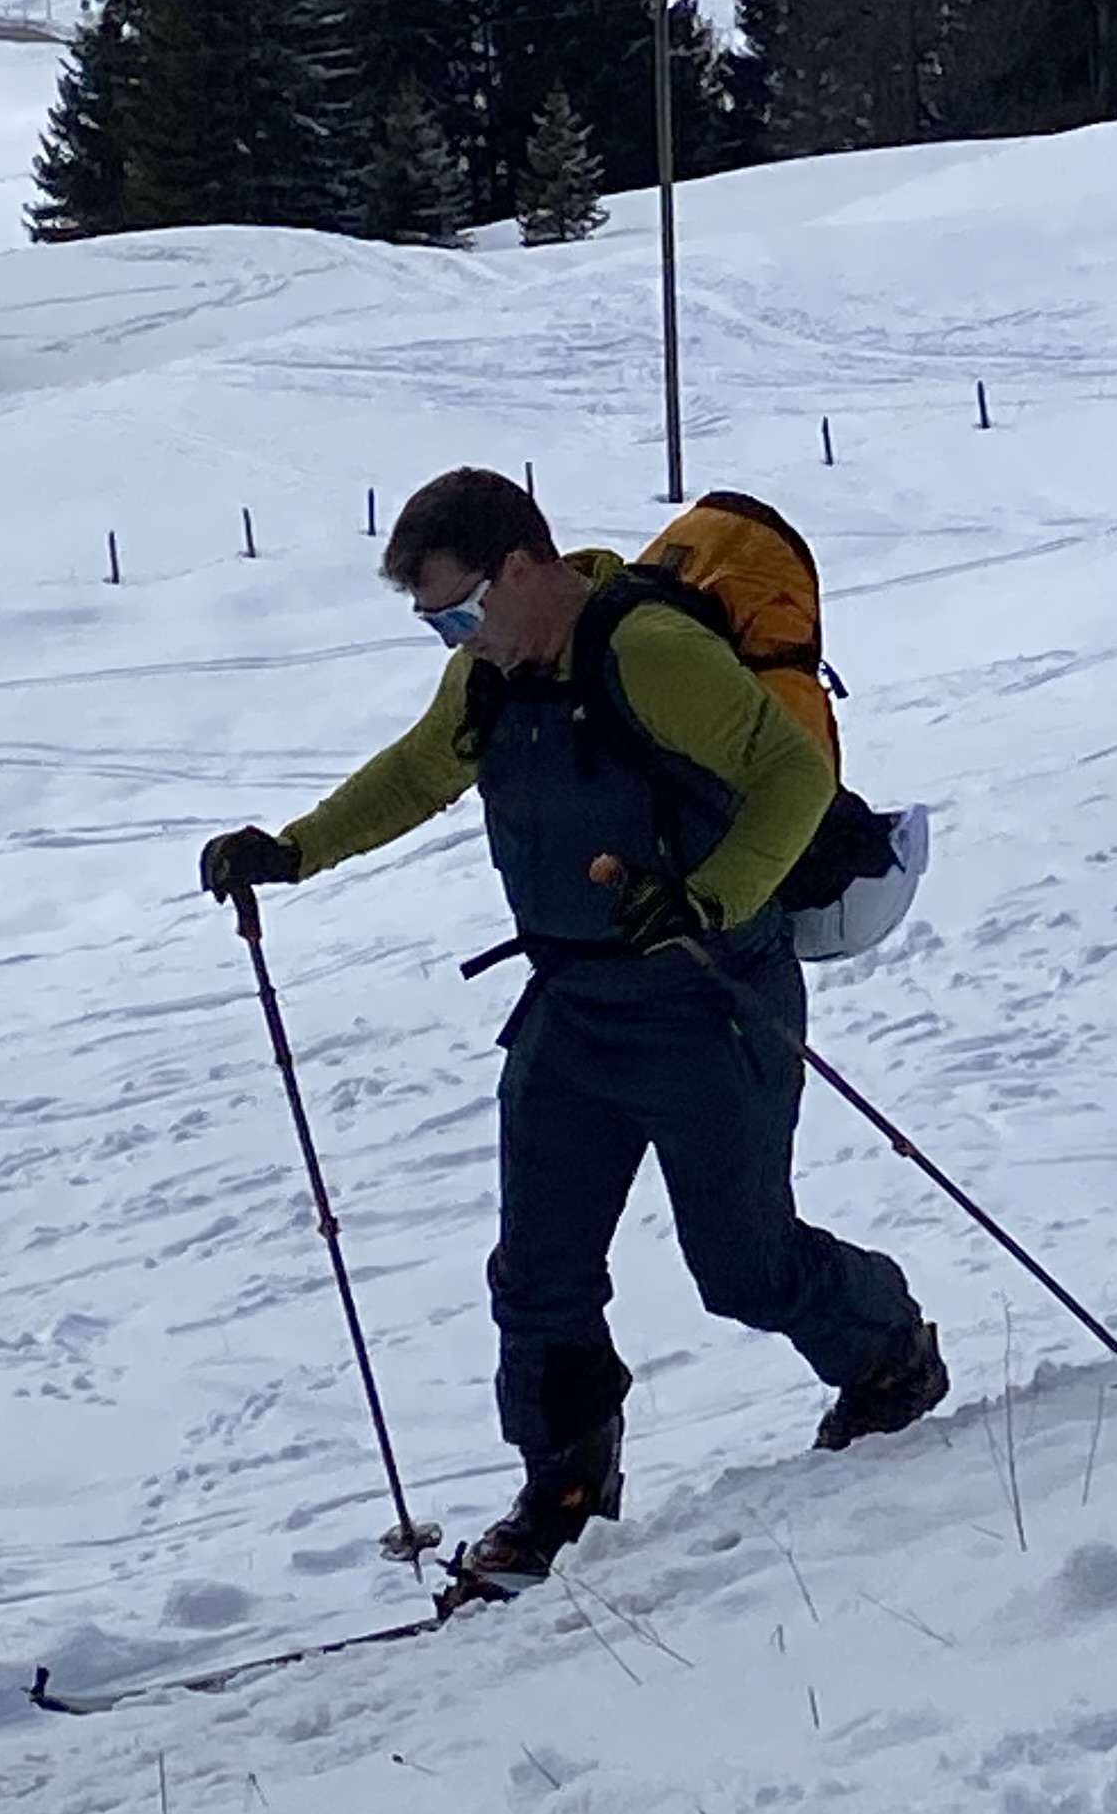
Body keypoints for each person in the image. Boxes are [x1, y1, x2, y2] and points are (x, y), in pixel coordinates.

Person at [198, 468, 946, 1598]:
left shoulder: (648, 654)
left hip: (706, 1002)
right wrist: (293, 851)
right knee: (539, 1270)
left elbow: (791, 777)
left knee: (741, 1267)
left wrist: (711, 897)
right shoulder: (491, 678)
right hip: (574, 1009)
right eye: (433, 622)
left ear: (522, 569)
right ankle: (564, 1492)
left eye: (457, 610)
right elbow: (417, 772)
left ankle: (888, 1353)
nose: (453, 637)